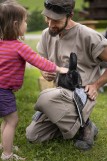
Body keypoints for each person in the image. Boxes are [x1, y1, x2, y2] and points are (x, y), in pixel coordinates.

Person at [26, 0, 107, 151]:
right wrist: (44, 71)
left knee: (45, 98)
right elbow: (43, 62)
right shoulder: (46, 35)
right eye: (48, 18)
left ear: (70, 15)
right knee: (33, 135)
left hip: (82, 94)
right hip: (59, 95)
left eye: (56, 20)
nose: (50, 24)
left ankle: (86, 125)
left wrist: (96, 84)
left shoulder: (88, 35)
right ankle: (77, 124)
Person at [0, 1, 68, 161]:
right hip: (3, 92)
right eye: (25, 21)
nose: (26, 24)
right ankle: (7, 155)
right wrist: (58, 69)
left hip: (2, 90)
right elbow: (38, 61)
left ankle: (4, 145)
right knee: (12, 120)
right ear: (16, 24)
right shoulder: (19, 47)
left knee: (6, 119)